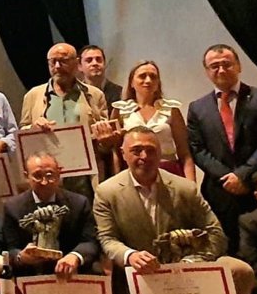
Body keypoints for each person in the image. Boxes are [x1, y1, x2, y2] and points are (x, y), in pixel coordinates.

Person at [93, 127, 255, 294]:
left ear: (160, 154)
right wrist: (131, 256)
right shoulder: (106, 191)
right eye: (136, 150)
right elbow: (107, 240)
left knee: (238, 269)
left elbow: (216, 233)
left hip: (190, 277)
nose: (144, 156)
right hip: (142, 285)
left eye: (150, 150)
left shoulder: (185, 188)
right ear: (123, 154)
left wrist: (191, 264)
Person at [1, 152, 103, 294]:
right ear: (26, 176)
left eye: (50, 175)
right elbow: (9, 248)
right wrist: (22, 257)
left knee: (94, 270)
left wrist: (75, 257)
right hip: (31, 270)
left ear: (60, 173)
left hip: (68, 268)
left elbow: (91, 241)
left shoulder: (79, 203)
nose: (45, 181)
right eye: (37, 176)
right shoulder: (13, 206)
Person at [187, 43, 257, 251]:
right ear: (207, 71)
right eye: (214, 66)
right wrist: (227, 177)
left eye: (227, 64)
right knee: (228, 252)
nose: (221, 70)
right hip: (220, 192)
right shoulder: (197, 108)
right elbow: (197, 149)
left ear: (239, 66)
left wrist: (242, 175)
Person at [20, 43, 119, 196]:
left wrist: (105, 140)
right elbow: (23, 132)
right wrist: (33, 128)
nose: (57, 66)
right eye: (53, 62)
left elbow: (103, 140)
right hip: (47, 176)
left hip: (84, 176)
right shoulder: (33, 95)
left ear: (76, 63)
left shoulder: (94, 95)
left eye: (63, 61)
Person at [112, 60, 195, 180]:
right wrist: (117, 180)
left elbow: (185, 153)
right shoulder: (120, 110)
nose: (148, 80)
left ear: (158, 83)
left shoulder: (170, 109)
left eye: (153, 77)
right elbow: (116, 151)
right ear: (131, 82)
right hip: (133, 173)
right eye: (142, 76)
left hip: (168, 171)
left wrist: (191, 184)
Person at [79, 45, 122, 113]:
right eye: (89, 60)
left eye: (98, 59)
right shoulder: (76, 94)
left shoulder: (119, 93)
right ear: (80, 66)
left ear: (104, 64)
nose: (95, 63)